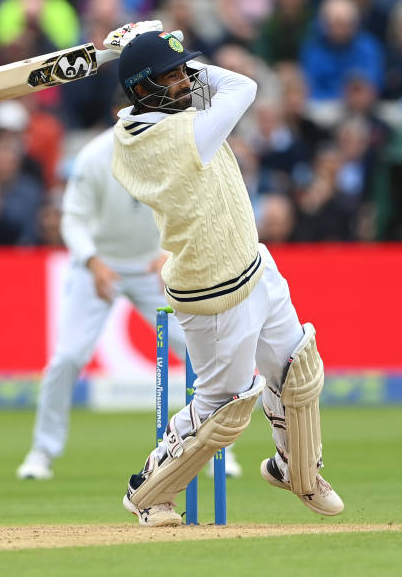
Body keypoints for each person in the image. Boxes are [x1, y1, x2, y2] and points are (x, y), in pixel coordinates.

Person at [107, 24, 344, 526]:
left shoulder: (158, 116)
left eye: (185, 71)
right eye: (173, 76)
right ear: (143, 88)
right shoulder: (171, 136)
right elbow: (243, 86)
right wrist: (142, 47)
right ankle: (148, 492)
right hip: (213, 288)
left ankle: (297, 472)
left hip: (253, 264)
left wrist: (145, 50)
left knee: (297, 369)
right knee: (225, 408)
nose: (187, 81)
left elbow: (189, 89)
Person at [16, 98, 242, 479]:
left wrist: (170, 252)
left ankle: (220, 449)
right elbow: (73, 220)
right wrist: (93, 262)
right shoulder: (94, 156)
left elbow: (193, 207)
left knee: (198, 350)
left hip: (154, 265)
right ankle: (42, 452)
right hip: (98, 267)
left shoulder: (174, 150)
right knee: (67, 358)